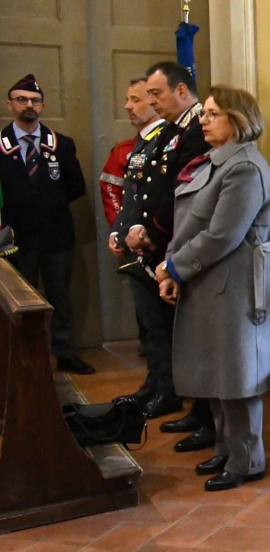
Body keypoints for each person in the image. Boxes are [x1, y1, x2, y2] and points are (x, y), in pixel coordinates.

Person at [157, 87, 270, 491]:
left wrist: (175, 267)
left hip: (237, 283)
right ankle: (228, 448)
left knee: (238, 375)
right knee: (218, 370)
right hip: (212, 279)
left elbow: (222, 235)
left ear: (237, 118)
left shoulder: (244, 167)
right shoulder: (217, 162)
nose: (203, 120)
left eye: (212, 114)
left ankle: (248, 459)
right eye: (203, 114)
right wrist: (174, 266)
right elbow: (191, 221)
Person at [115, 61, 214, 446]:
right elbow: (153, 185)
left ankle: (205, 412)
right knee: (168, 332)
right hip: (164, 240)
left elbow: (182, 191)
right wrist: (136, 228)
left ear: (182, 91)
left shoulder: (193, 131)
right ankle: (189, 403)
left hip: (180, 242)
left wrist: (154, 234)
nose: (151, 101)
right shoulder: (174, 130)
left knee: (192, 336)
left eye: (156, 93)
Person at [0, 74, 93, 374]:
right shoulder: (0, 145)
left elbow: (76, 186)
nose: (30, 105)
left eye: (36, 101)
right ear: (10, 104)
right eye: (23, 100)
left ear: (42, 105)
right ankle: (26, 357)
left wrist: (47, 204)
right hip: (16, 238)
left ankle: (64, 352)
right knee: (21, 303)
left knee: (60, 297)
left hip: (56, 236)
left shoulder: (61, 145)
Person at [100, 76, 163, 358]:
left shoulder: (167, 142)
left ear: (154, 100)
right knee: (148, 320)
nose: (127, 106)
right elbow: (124, 196)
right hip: (132, 239)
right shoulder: (129, 148)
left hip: (156, 243)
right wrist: (118, 230)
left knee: (161, 325)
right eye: (127, 99)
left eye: (135, 99)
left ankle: (165, 385)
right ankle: (155, 381)